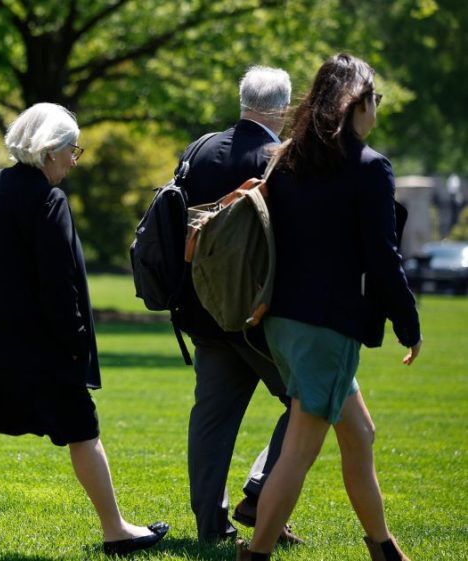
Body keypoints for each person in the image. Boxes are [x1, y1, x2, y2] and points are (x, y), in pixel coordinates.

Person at [0, 103, 168, 557]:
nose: (75, 160)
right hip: (38, 348)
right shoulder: (47, 199)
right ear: (51, 150)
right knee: (83, 432)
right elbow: (59, 282)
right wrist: (75, 340)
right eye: (72, 150)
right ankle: (115, 530)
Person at [237, 53, 422, 561]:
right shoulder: (368, 166)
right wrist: (409, 324)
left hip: (281, 322)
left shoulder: (287, 157)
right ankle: (254, 555)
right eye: (375, 98)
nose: (376, 108)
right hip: (327, 327)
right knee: (298, 450)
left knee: (359, 431)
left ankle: (383, 547)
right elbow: (383, 259)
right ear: (358, 102)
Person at [175, 66, 303, 545]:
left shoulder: (199, 149)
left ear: (242, 101)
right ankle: (261, 490)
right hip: (258, 315)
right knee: (311, 400)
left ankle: (212, 527)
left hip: (202, 310)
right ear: (285, 109)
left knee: (210, 422)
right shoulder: (283, 159)